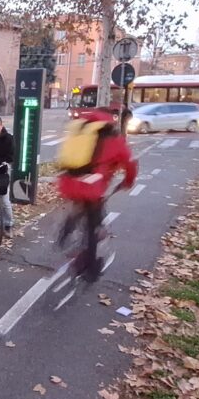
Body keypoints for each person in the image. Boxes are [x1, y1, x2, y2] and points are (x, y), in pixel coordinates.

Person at [56, 112, 138, 282]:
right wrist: (127, 182)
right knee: (93, 226)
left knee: (79, 206)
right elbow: (129, 164)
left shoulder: (80, 133)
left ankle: (66, 229)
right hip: (92, 187)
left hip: (69, 183)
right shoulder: (115, 141)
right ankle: (91, 270)